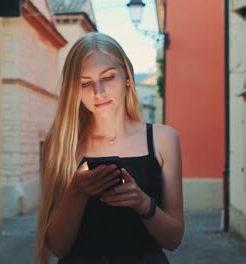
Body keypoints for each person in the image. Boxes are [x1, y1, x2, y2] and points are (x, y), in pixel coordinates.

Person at [36, 32, 183, 264]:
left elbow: (173, 239)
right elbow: (57, 248)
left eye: (108, 77)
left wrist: (142, 203)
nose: (98, 91)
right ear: (74, 89)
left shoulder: (164, 139)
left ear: (127, 75)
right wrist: (76, 192)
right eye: (86, 83)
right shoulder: (62, 143)